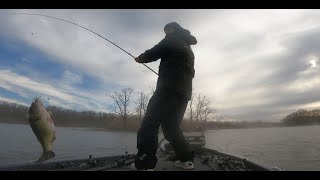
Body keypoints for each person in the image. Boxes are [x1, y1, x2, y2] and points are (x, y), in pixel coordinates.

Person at [131, 22, 197, 171]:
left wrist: (140, 58)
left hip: (167, 90)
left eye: (167, 30)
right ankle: (186, 159)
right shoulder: (189, 48)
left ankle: (144, 164)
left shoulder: (172, 39)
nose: (165, 33)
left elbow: (154, 52)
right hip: (184, 94)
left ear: (172, 29)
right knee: (171, 128)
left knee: (150, 123)